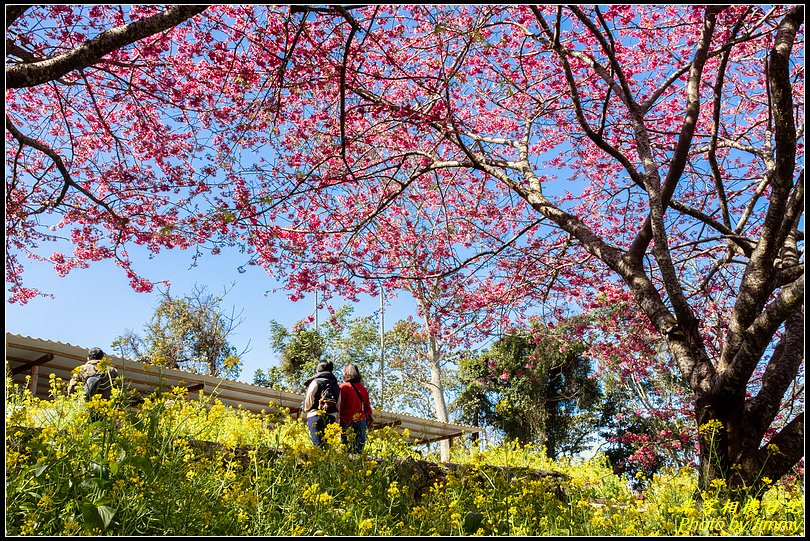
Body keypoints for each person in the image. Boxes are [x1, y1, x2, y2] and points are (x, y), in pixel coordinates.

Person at [301, 360, 341, 447]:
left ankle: (319, 460)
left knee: (318, 446)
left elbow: (310, 397)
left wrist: (306, 409)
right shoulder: (336, 386)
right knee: (328, 446)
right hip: (331, 418)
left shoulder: (316, 382)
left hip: (315, 416)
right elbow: (338, 403)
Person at [338, 363, 374, 454]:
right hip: (361, 421)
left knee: (345, 450)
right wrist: (369, 420)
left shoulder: (343, 388)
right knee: (358, 451)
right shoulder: (363, 389)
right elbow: (367, 408)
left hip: (346, 420)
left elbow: (340, 406)